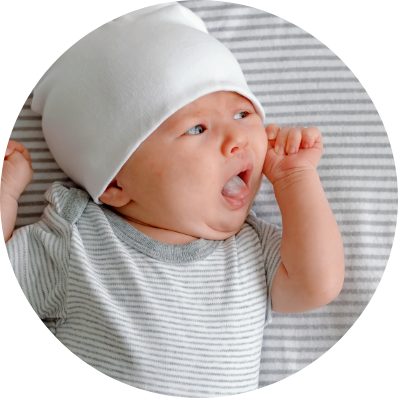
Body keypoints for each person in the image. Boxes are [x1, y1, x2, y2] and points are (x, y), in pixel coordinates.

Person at [0, 3, 344, 396]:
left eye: (242, 114)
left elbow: (318, 284)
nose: (236, 139)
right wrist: (8, 193)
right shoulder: (76, 241)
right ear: (114, 183)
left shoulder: (251, 248)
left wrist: (295, 179)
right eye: (197, 128)